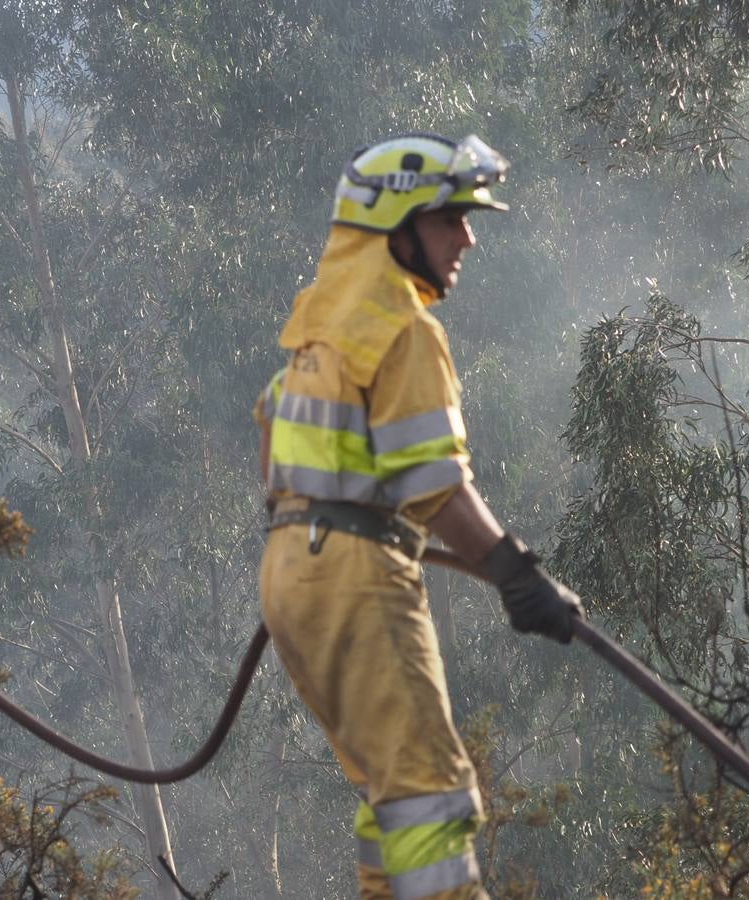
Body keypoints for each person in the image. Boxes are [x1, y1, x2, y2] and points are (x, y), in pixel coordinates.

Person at [254, 133, 584, 899]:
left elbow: (268, 431)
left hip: (290, 574)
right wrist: (515, 575)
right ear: (395, 228)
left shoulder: (318, 327)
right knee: (431, 789)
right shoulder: (403, 328)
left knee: (392, 795)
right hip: (355, 578)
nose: (467, 238)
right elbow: (432, 485)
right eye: (449, 221)